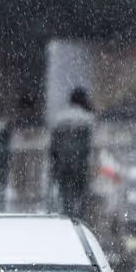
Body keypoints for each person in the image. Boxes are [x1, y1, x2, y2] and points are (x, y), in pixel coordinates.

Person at [49, 88, 95, 220]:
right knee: (80, 195)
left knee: (65, 195)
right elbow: (92, 144)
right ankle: (79, 220)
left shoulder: (59, 119)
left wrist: (55, 162)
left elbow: (53, 146)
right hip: (81, 164)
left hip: (63, 164)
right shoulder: (88, 119)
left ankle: (67, 217)